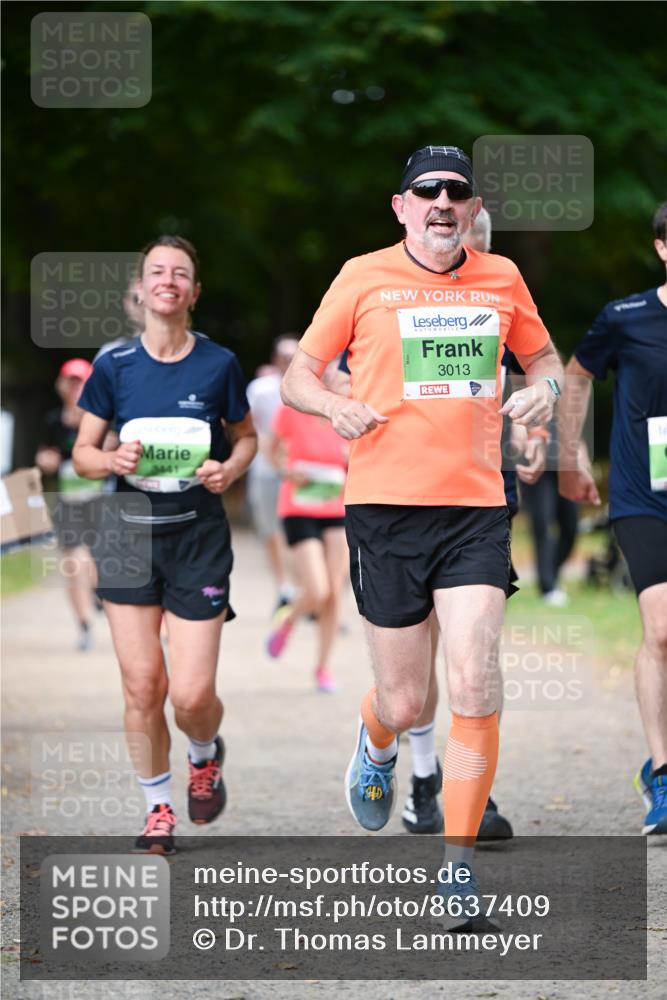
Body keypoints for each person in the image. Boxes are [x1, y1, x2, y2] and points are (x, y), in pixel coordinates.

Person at [281, 145, 563, 900]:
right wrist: (333, 404)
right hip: (385, 508)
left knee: (473, 683)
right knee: (406, 701)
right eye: (426, 191)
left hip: (473, 508)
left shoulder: (500, 278)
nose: (442, 202)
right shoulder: (360, 275)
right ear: (401, 206)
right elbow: (296, 375)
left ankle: (457, 868)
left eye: (456, 192)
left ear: (472, 209)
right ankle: (378, 744)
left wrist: (544, 393)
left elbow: (544, 361)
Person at [72, 235, 257, 855]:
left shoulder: (219, 365)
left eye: (180, 273)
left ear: (193, 292)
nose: (168, 281)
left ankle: (203, 755)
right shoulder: (114, 366)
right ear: (142, 289)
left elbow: (247, 438)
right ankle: (157, 808)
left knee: (191, 695)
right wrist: (110, 457)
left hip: (197, 538)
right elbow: (82, 453)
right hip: (126, 535)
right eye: (157, 271)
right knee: (143, 686)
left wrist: (229, 471)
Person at [559, 201, 667, 837]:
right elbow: (575, 376)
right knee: (660, 632)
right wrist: (570, 451)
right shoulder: (625, 318)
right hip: (644, 495)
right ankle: (662, 772)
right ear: (661, 247)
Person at [266, 371, 349, 693]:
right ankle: (289, 619)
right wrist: (286, 470)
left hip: (338, 506)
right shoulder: (293, 409)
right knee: (318, 589)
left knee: (333, 592)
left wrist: (349, 459)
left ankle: (323, 668)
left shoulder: (352, 413)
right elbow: (270, 451)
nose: (343, 383)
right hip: (299, 506)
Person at [35, 358, 102, 651]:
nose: (75, 388)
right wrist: (45, 461)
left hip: (101, 501)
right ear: (62, 385)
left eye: (81, 382)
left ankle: (99, 594)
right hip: (68, 502)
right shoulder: (52, 421)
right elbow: (44, 456)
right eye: (71, 382)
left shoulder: (100, 418)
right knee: (74, 563)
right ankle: (84, 623)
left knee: (95, 564)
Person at [246, 335, 299, 614]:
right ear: (276, 358)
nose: (289, 361)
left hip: (302, 470)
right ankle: (283, 587)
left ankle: (307, 589)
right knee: (272, 530)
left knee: (302, 530)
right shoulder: (261, 389)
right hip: (267, 468)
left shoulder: (310, 386)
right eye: (284, 356)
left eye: (294, 356)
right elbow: (248, 427)